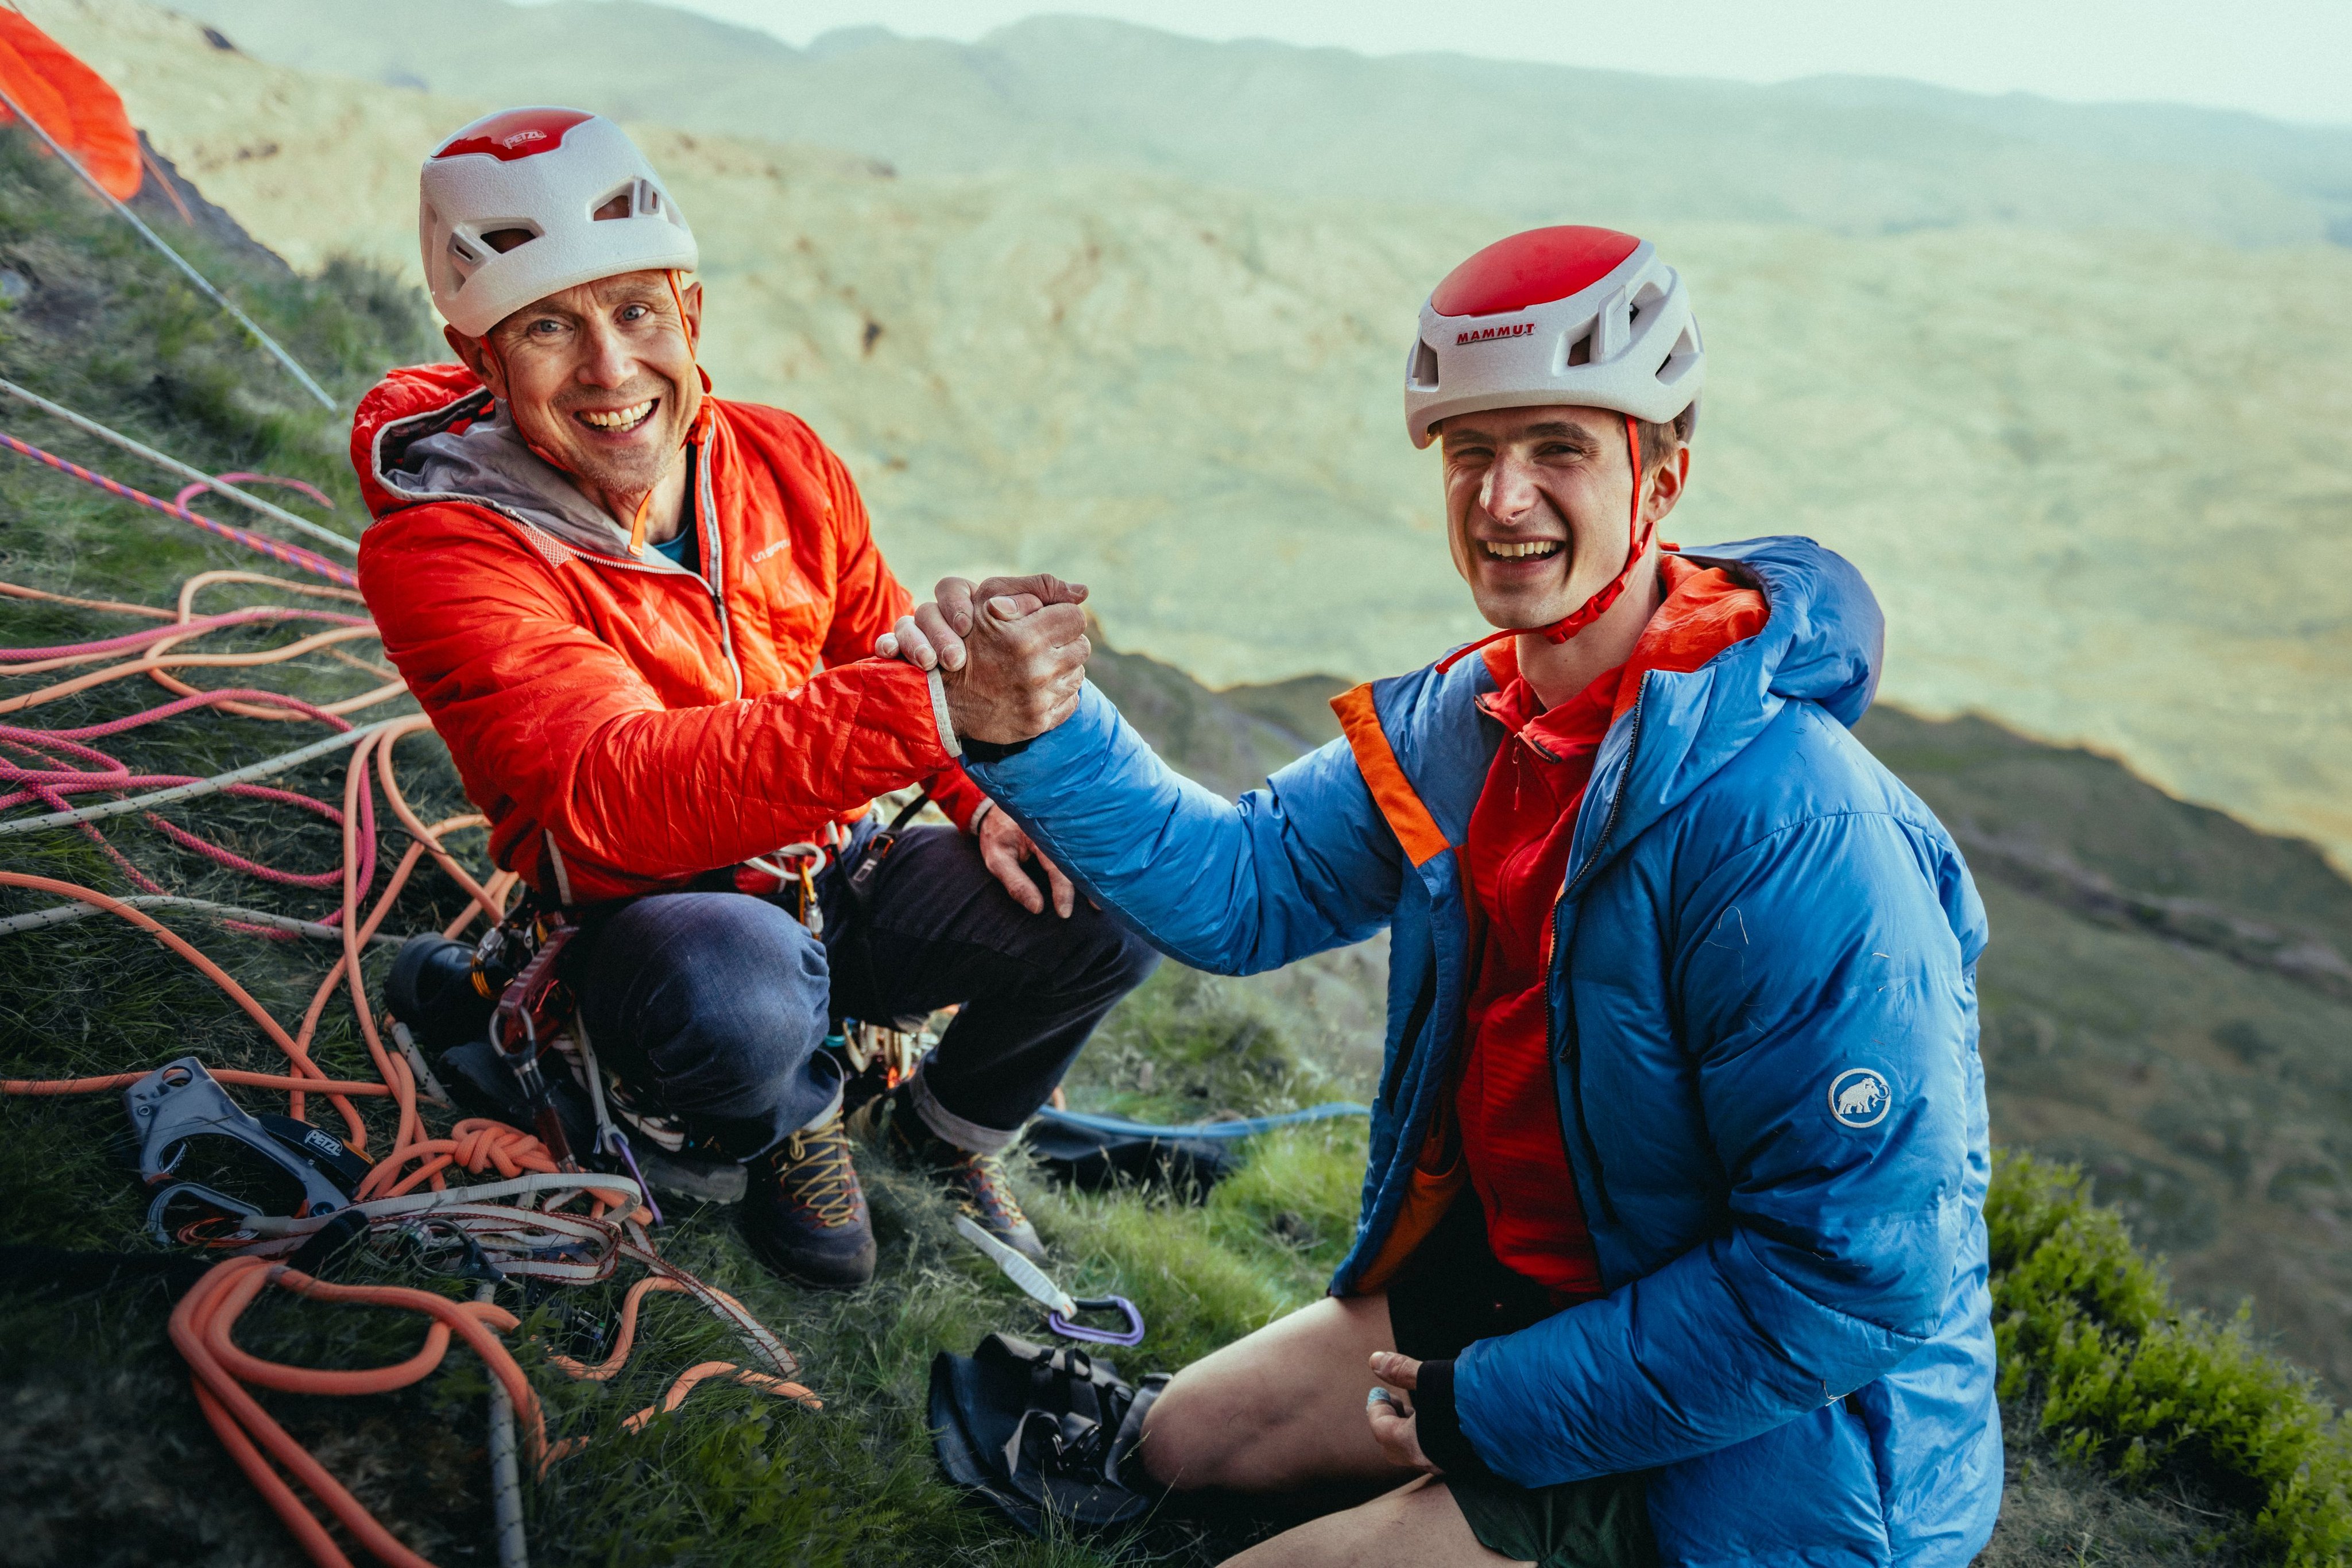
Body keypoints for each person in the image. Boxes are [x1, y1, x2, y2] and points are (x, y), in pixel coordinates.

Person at [880, 227, 2000, 1566]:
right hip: (1537, 1291)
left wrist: (1488, 1409)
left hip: (1769, 1443)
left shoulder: (1793, 830)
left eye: (1557, 450)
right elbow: (1245, 887)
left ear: (1660, 477)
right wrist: (1037, 734)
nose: (1502, 498)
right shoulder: (1458, 730)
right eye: (1470, 453)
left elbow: (1850, 1277)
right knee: (1178, 1443)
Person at [350, 106, 1155, 1291]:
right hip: (662, 924)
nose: (610, 371)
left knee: (1111, 880)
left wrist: (976, 793)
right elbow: (606, 795)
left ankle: (938, 1133)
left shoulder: (779, 460)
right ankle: (774, 1109)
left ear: (689, 310)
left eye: (633, 312)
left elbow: (868, 643)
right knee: (732, 991)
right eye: (547, 330)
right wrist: (933, 717)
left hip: (825, 882)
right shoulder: (446, 550)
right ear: (479, 360)